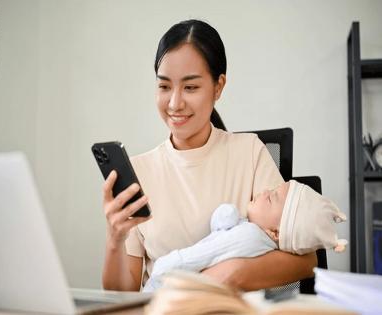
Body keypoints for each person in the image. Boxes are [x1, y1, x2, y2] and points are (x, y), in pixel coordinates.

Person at [101, 19, 317, 292]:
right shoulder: (138, 171)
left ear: (218, 87)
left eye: (190, 87)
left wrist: (227, 276)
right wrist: (114, 239)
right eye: (164, 86)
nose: (174, 103)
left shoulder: (249, 152)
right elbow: (122, 295)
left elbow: (305, 261)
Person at [142, 180, 348, 292]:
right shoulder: (256, 239)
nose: (265, 190)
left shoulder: (249, 236)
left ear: (275, 232)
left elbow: (203, 253)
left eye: (271, 198)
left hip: (167, 287)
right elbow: (220, 229)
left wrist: (165, 267)